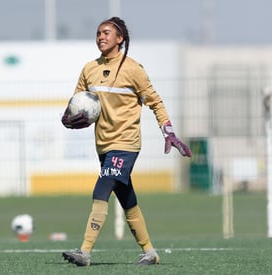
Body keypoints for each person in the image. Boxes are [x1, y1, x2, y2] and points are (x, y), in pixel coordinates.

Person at [61, 16, 192, 267]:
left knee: (101, 189)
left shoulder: (133, 69)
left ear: (120, 38)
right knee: (126, 197)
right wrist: (68, 119)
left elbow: (155, 101)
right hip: (104, 143)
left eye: (107, 33)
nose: (101, 36)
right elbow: (77, 102)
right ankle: (150, 252)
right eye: (98, 33)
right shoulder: (89, 69)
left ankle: (84, 251)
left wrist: (169, 132)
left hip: (126, 143)